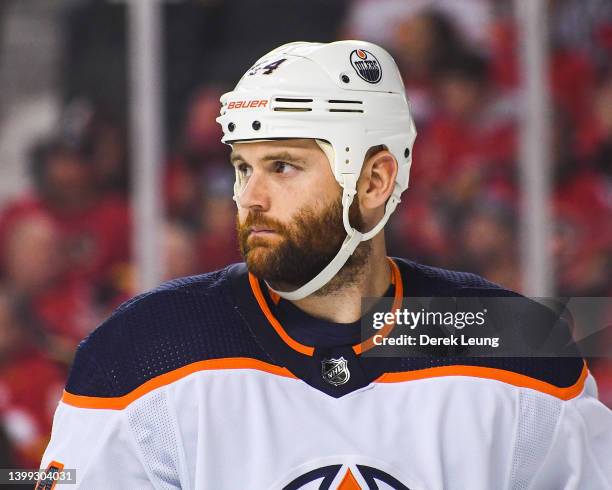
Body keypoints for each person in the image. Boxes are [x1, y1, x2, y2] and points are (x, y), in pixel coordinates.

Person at [38, 41, 611, 489]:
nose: (249, 197)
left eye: (283, 166)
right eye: (243, 168)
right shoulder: (139, 350)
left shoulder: (517, 343)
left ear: (374, 180)